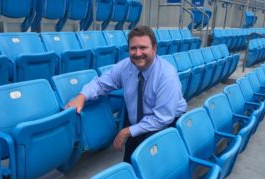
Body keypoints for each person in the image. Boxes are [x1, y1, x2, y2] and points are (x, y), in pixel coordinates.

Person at [65, 25, 187, 163]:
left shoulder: (167, 76)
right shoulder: (125, 66)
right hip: (138, 119)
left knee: (152, 166)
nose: (138, 53)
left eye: (143, 47)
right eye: (133, 48)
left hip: (167, 122)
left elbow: (162, 118)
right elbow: (101, 83)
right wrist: (82, 96)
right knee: (130, 163)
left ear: (154, 49)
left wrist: (126, 131)